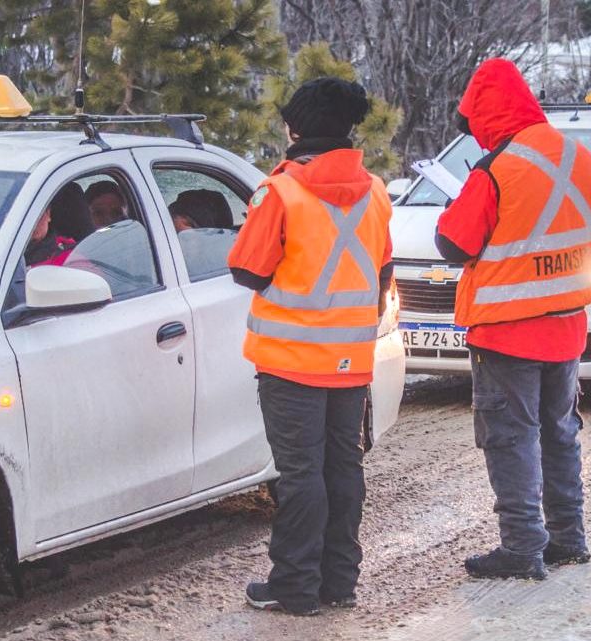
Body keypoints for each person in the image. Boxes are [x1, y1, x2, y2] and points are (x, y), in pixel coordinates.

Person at [227, 77, 393, 616]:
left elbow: (247, 270)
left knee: (300, 476)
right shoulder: (376, 191)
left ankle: (295, 586)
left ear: (295, 127)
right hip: (352, 362)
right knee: (342, 470)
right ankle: (339, 582)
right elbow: (382, 269)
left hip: (290, 363)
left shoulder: (279, 192)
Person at [436, 58, 591, 580]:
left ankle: (524, 546)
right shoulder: (579, 156)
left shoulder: (496, 169)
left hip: (508, 329)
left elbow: (453, 242)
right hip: (568, 321)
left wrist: (463, 196)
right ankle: (568, 538)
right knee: (559, 433)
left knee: (510, 438)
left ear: (486, 114)